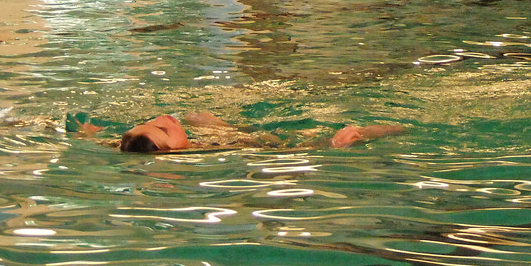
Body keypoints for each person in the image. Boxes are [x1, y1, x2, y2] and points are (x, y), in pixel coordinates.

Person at [110, 112, 405, 153]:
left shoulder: (123, 146)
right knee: (356, 132)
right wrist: (333, 144)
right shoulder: (218, 152)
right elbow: (285, 153)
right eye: (163, 127)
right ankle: (401, 128)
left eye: (150, 120)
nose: (164, 118)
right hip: (273, 141)